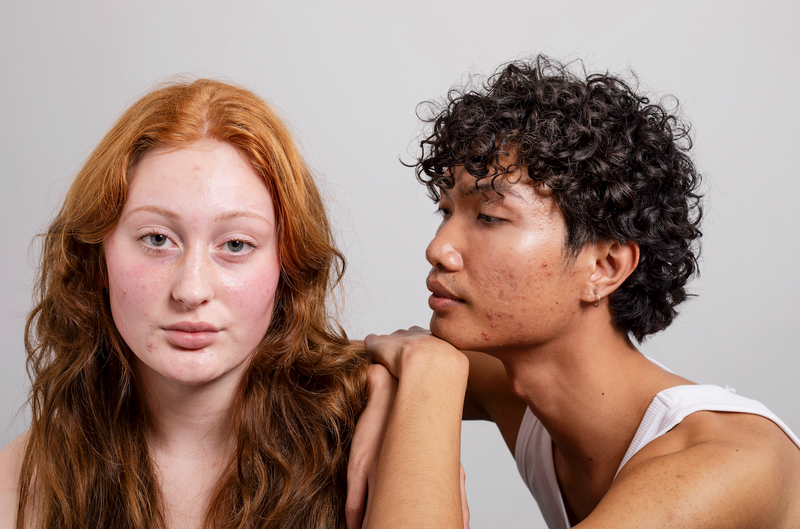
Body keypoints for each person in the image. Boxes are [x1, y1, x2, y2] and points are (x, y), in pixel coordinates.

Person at [351, 55, 800, 528]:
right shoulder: (516, 387)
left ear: (604, 267)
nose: (438, 249)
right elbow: (295, 369)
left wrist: (428, 372)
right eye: (446, 212)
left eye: (489, 217)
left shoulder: (721, 463)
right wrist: (391, 381)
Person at [0, 79, 371, 528]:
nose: (191, 290)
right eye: (157, 239)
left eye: (235, 244)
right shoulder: (21, 481)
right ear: (95, 256)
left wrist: (428, 376)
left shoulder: (373, 447)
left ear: (287, 268)